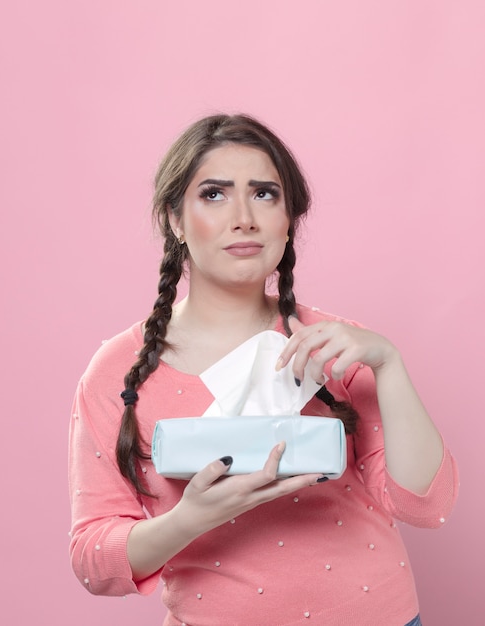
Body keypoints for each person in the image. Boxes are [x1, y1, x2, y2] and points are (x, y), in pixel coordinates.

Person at [68, 114, 458, 626]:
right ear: (174, 219)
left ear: (289, 217)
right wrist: (190, 520)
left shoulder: (334, 345)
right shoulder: (119, 372)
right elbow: (94, 560)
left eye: (264, 194)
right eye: (213, 194)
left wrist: (389, 363)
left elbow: (426, 506)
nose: (243, 217)